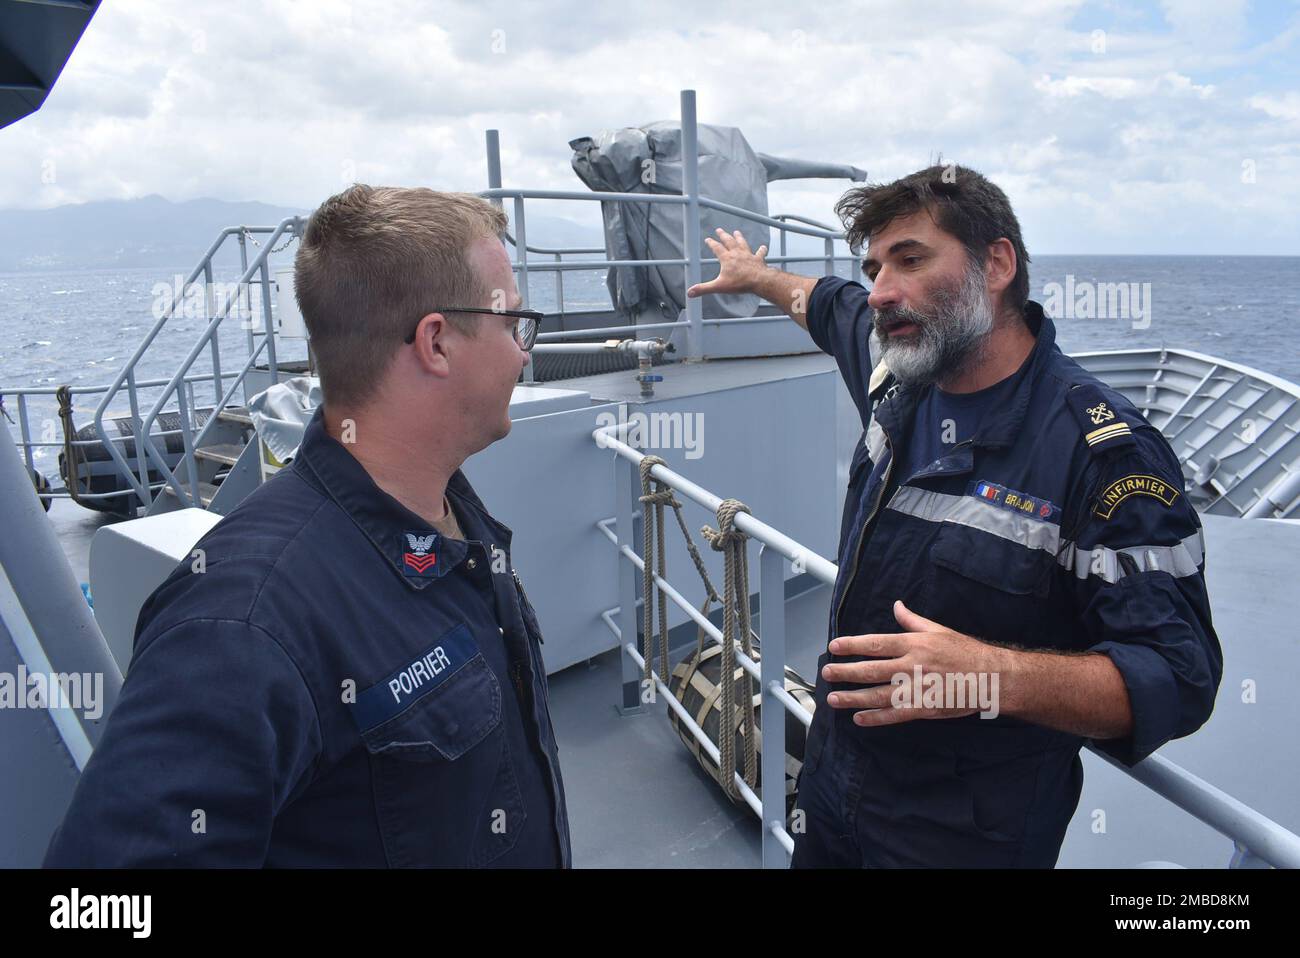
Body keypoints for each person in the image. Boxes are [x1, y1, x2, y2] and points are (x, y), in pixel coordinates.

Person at [687, 165, 1221, 867]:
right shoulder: (899, 375)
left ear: (996, 264)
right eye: (875, 266)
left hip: (960, 838)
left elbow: (1177, 675)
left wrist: (987, 675)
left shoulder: (1102, 457)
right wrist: (755, 275)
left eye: (910, 259)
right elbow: (824, 304)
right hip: (831, 790)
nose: (880, 290)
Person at [45, 185, 570, 867]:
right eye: (513, 323)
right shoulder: (242, 622)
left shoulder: (454, 517)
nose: (523, 352)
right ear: (436, 342)